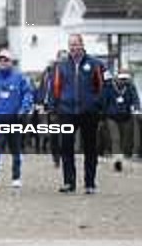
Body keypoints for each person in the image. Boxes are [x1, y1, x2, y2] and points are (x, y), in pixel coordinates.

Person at [48, 34, 108, 194]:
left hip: (89, 112)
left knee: (90, 148)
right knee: (66, 147)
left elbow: (103, 87)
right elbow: (55, 88)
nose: (73, 48)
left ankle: (90, 183)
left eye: (76, 44)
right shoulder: (60, 66)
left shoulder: (95, 64)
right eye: (71, 45)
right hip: (67, 112)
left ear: (82, 45)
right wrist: (54, 107)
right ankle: (69, 182)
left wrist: (98, 106)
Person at [0, 48, 33, 189]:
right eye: (0, 59)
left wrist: (24, 108)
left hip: (15, 118)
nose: (3, 62)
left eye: (6, 60)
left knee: (15, 148)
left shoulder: (20, 77)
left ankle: (16, 176)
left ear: (11, 62)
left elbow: (28, 94)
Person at [104, 67, 140, 172]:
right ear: (116, 77)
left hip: (126, 117)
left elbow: (135, 99)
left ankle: (122, 157)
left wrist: (137, 109)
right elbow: (104, 100)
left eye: (125, 79)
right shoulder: (109, 87)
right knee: (116, 139)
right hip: (112, 117)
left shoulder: (130, 86)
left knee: (125, 141)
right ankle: (117, 161)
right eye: (121, 79)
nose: (123, 81)